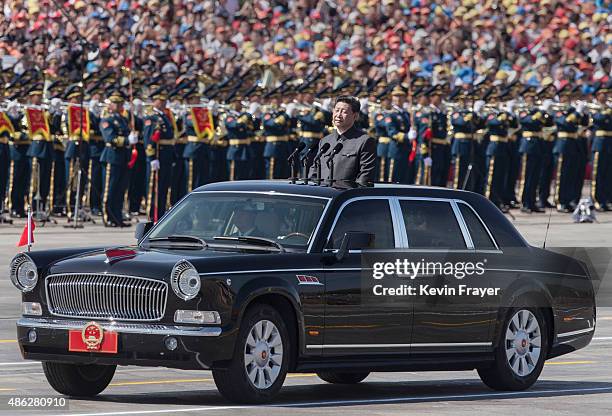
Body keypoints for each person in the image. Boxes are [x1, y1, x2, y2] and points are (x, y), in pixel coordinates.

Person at [312, 96, 376, 184]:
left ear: (355, 116)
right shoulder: (325, 141)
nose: (338, 115)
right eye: (336, 110)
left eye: (344, 112)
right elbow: (314, 170)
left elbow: (365, 176)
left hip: (346, 195)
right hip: (323, 194)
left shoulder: (364, 141)